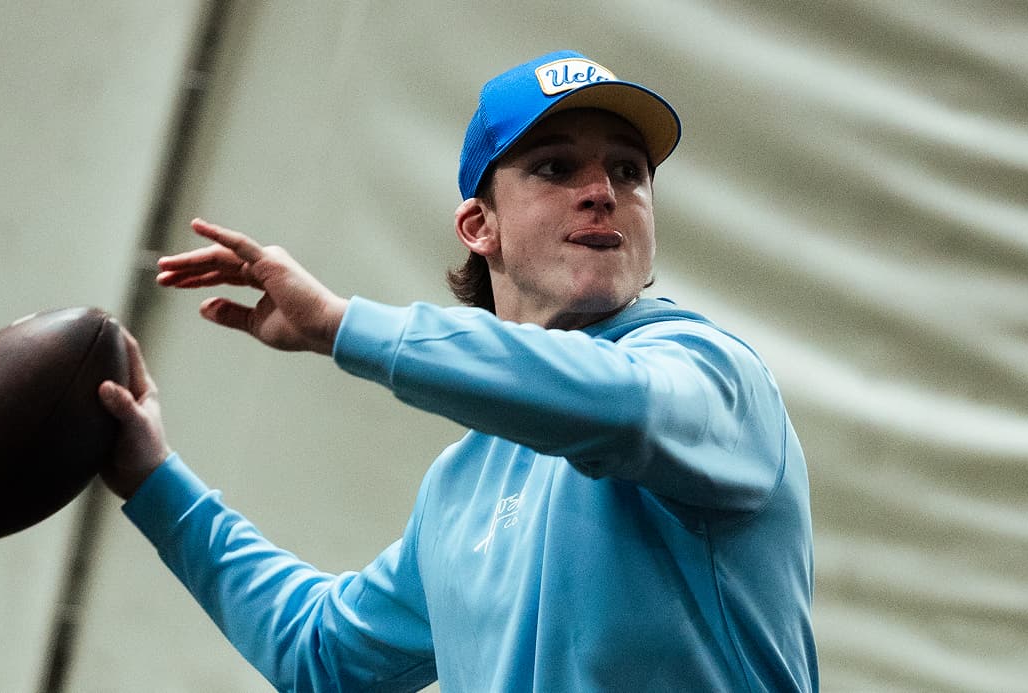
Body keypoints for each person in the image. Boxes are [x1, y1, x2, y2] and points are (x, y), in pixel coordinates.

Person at [98, 50, 818, 692]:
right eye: (556, 167)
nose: (602, 188)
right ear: (479, 227)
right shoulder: (459, 486)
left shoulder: (716, 375)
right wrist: (152, 480)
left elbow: (622, 404)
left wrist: (342, 324)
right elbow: (323, 655)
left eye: (628, 171)